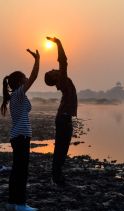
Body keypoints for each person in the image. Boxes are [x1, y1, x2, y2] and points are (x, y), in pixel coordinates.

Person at [1, 49, 40, 211]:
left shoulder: (17, 96)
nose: (27, 80)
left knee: (17, 170)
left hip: (19, 136)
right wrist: (37, 60)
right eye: (24, 78)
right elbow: (34, 77)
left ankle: (12, 203)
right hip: (21, 137)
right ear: (19, 82)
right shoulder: (18, 94)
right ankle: (21, 204)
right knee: (21, 172)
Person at [44, 37, 78, 186]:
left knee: (61, 149)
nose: (54, 69)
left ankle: (57, 177)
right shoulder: (62, 80)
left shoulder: (62, 81)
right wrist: (58, 43)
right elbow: (63, 61)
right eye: (52, 71)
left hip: (63, 118)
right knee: (61, 150)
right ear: (54, 76)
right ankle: (57, 178)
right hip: (64, 119)